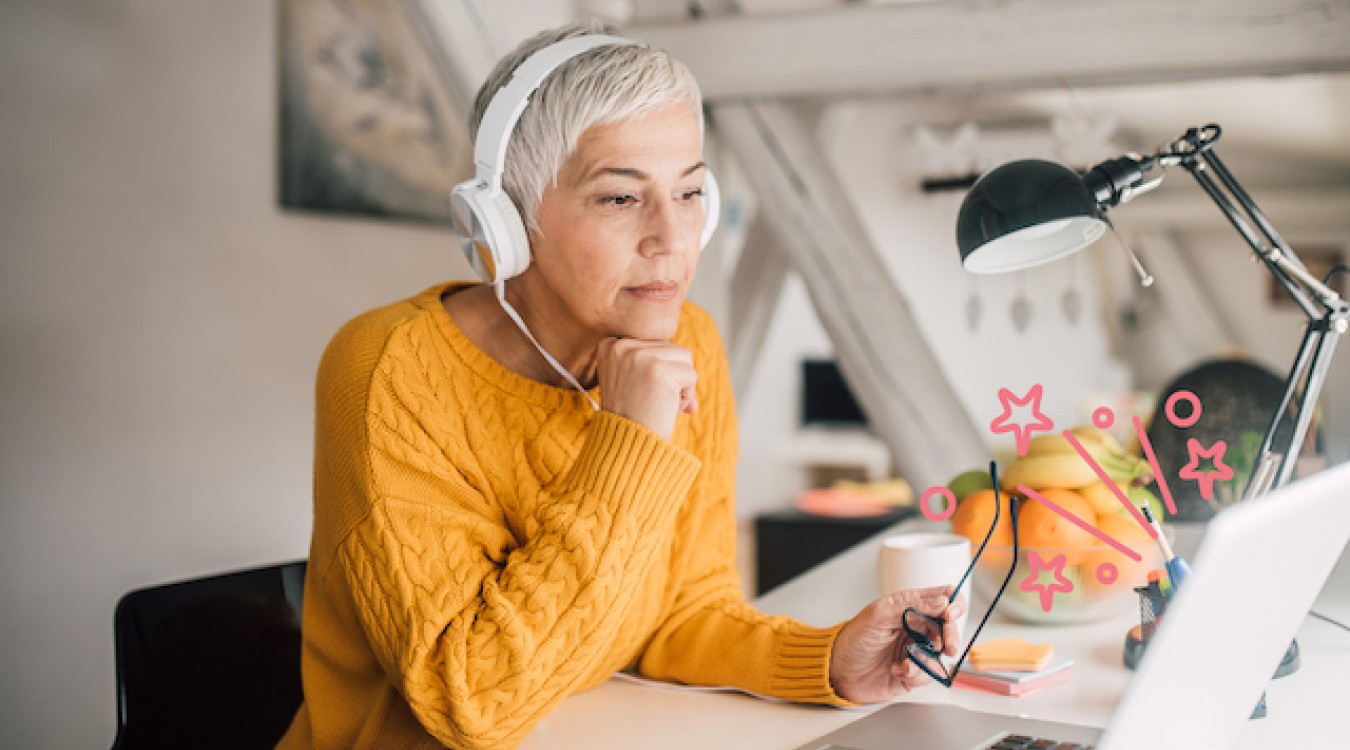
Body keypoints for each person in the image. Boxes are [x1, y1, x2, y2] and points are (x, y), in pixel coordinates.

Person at [276, 21, 964, 750]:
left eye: (691, 191)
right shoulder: (388, 370)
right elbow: (471, 702)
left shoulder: (688, 340)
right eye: (618, 199)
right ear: (507, 222)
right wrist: (629, 440)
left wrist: (829, 659)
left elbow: (682, 608)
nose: (672, 236)